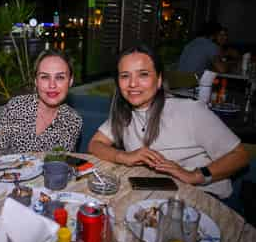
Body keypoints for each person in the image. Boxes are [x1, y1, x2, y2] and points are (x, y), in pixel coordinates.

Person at [88, 44, 249, 200]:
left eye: (143, 74)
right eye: (125, 76)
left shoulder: (190, 110)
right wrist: (125, 156)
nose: (132, 83)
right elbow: (95, 144)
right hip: (154, 192)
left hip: (204, 195)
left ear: (159, 80)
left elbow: (240, 155)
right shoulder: (124, 113)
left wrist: (194, 176)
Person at [0, 49, 83, 157]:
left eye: (60, 77)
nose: (52, 85)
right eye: (45, 77)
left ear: (70, 81)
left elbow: (60, 164)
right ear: (36, 81)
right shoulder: (16, 107)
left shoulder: (73, 121)